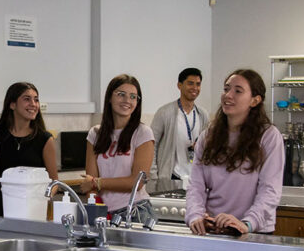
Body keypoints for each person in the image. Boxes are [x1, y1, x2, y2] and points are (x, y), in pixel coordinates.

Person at [186, 69, 284, 235]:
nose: (228, 95)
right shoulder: (208, 136)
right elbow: (196, 185)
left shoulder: (268, 136)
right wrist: (195, 216)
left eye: (238, 91)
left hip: (251, 231)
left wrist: (247, 223)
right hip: (214, 228)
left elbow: (270, 190)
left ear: (255, 100)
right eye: (226, 89)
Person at [81, 75, 155, 220]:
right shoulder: (95, 134)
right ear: (109, 97)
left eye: (133, 97)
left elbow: (137, 182)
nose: (127, 100)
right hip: (104, 213)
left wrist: (98, 182)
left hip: (136, 212)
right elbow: (90, 184)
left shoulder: (143, 133)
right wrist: (95, 208)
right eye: (121, 94)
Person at [0, 82, 58, 216]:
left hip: (32, 211)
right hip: (0, 209)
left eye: (36, 99)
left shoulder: (45, 139)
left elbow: (54, 182)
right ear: (12, 104)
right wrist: (11, 193)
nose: (33, 104)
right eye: (27, 99)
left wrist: (38, 197)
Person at [151, 68, 209, 183]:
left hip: (194, 179)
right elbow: (152, 145)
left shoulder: (203, 114)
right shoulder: (164, 112)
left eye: (198, 84)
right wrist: (153, 176)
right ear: (179, 85)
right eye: (190, 83)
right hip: (171, 178)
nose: (195, 88)